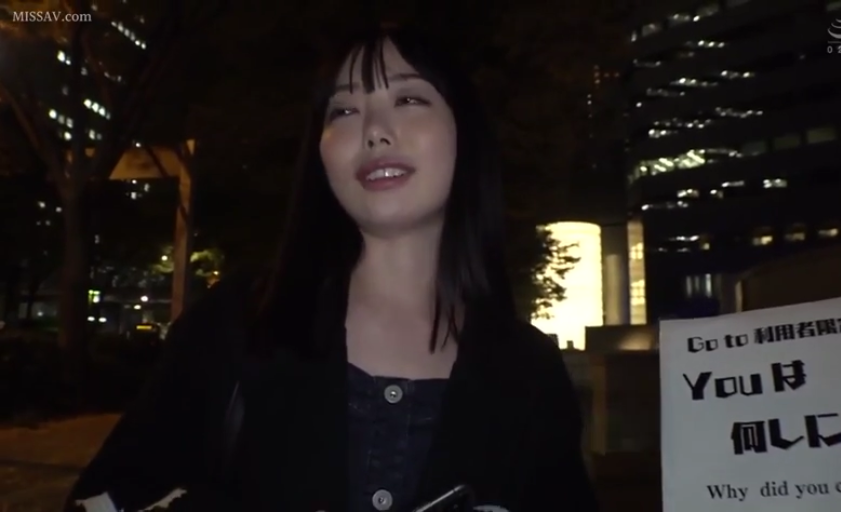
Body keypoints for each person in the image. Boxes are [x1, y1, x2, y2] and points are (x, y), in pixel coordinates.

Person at [66, 24, 598, 512]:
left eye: (409, 99)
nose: (375, 131)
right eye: (343, 111)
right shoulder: (237, 324)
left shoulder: (531, 373)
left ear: (466, 133)